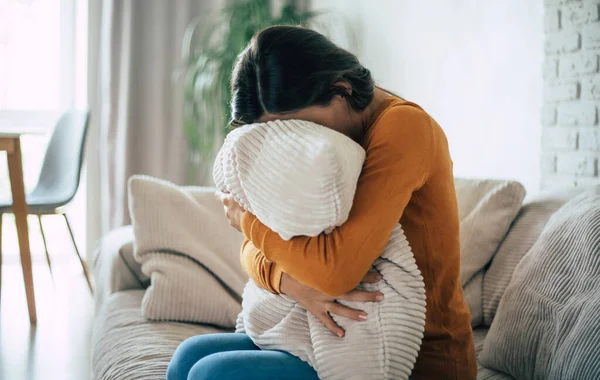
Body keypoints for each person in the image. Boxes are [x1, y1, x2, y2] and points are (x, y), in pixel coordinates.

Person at [167, 25, 476, 380]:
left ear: (341, 90)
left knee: (211, 375)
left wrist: (247, 223)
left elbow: (334, 272)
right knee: (187, 357)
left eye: (300, 128)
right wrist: (289, 281)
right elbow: (254, 249)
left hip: (412, 355)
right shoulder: (331, 146)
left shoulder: (405, 127)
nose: (296, 143)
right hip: (327, 336)